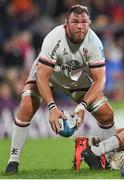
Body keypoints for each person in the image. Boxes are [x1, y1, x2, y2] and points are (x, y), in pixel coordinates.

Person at [5, 4, 116, 173]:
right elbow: (42, 76)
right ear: (66, 23)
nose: (80, 25)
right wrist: (52, 107)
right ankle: (13, 160)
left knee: (107, 114)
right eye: (75, 21)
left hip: (75, 79)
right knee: (27, 104)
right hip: (49, 76)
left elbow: (100, 81)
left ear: (90, 23)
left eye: (84, 22)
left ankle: (109, 156)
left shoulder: (94, 43)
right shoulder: (54, 38)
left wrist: (82, 106)